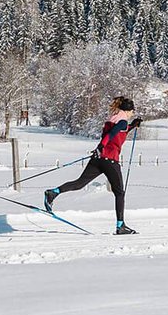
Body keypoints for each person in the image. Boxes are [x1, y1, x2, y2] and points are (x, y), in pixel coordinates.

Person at [45, 97, 143, 235]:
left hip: (98, 159)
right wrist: (101, 146)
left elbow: (119, 133)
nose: (133, 113)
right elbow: (111, 134)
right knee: (119, 192)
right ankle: (120, 226)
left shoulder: (114, 118)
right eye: (132, 111)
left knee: (79, 183)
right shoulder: (121, 121)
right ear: (128, 110)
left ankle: (53, 192)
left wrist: (133, 125)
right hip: (110, 160)